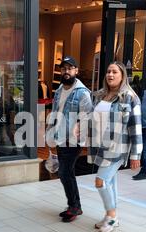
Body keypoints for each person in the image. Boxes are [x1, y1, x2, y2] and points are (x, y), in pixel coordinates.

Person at [88, 61, 142, 232]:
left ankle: (111, 216)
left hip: (118, 146)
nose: (110, 75)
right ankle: (111, 215)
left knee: (101, 181)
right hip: (100, 146)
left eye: (115, 72)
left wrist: (136, 154)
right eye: (108, 71)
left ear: (122, 76)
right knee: (110, 181)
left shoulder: (129, 97)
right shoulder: (99, 95)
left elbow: (136, 126)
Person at [46, 56, 92, 223]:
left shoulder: (82, 92)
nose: (66, 71)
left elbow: (88, 115)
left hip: (73, 139)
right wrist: (49, 131)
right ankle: (75, 205)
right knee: (67, 172)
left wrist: (79, 125)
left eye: (70, 68)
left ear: (76, 71)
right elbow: (55, 112)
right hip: (59, 137)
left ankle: (74, 206)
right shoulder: (59, 91)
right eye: (64, 69)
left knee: (65, 171)